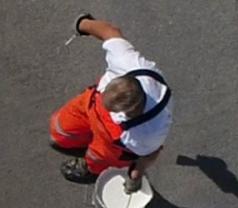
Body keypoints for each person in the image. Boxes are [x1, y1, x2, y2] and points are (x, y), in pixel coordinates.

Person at [49, 15, 173, 189]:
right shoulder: (129, 63)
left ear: (127, 112)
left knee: (100, 159)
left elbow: (152, 153)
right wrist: (82, 24)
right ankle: (72, 139)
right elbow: (110, 32)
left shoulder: (150, 131)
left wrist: (136, 174)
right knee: (60, 129)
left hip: (113, 143)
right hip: (90, 104)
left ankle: (91, 169)